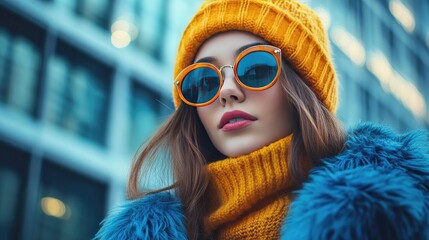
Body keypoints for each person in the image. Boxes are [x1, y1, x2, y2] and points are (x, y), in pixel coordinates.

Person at [95, 0, 429, 239]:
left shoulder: (403, 211)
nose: (227, 91)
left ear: (304, 89)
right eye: (205, 81)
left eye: (255, 69)